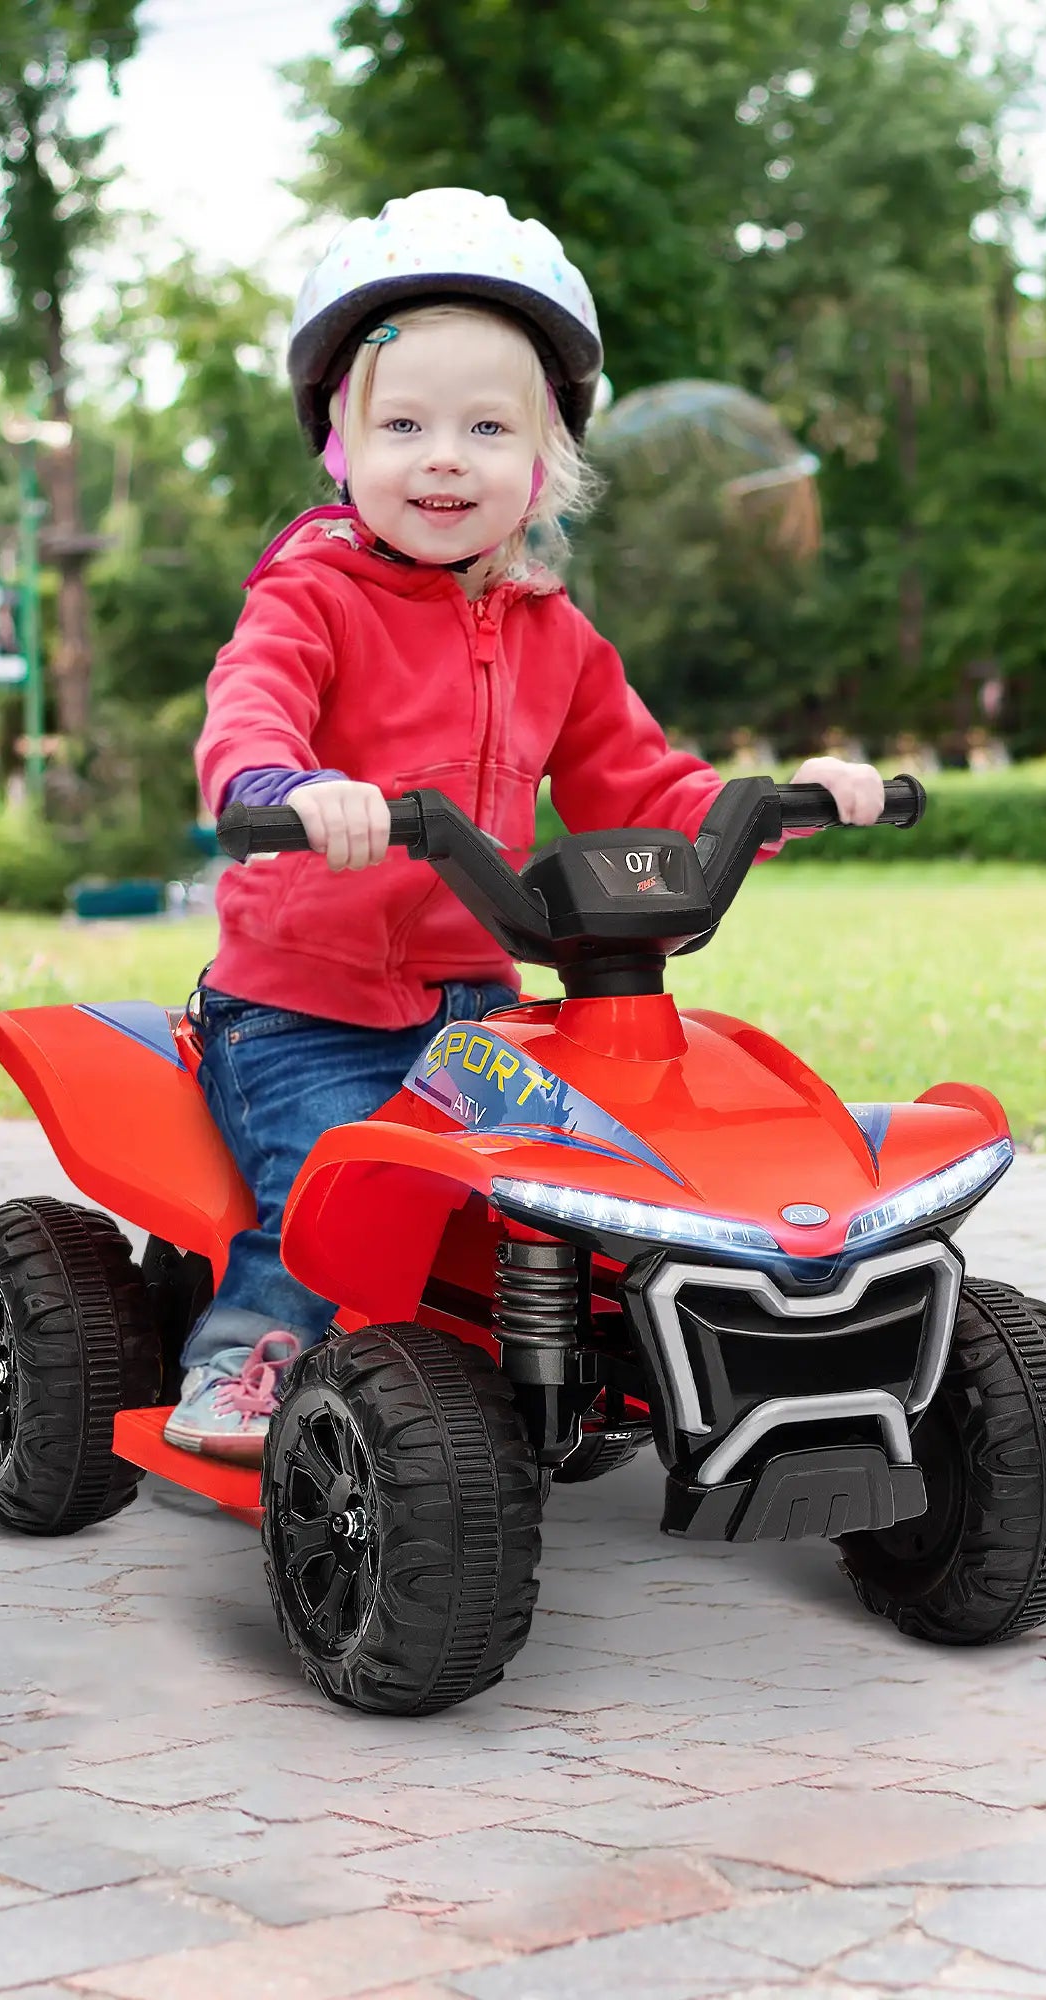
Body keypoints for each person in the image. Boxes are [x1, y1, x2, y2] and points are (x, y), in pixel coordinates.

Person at [166, 188, 886, 1459]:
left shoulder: (552, 630)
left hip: (473, 994)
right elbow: (249, 709)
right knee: (325, 1187)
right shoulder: (309, 598)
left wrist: (774, 803)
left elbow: (641, 782)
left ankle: (592, 1356)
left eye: (486, 426)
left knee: (592, 1167)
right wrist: (283, 788)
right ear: (340, 445)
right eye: (404, 423)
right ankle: (240, 1361)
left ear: (543, 460)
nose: (443, 455)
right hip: (299, 1001)